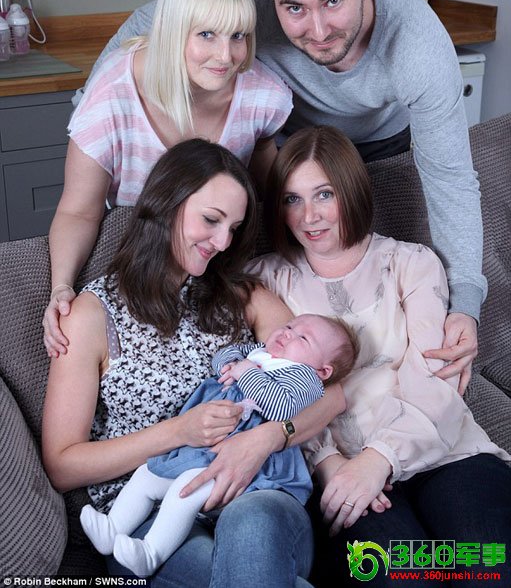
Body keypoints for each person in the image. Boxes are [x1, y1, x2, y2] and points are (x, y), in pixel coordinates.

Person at [82, 0, 484, 393]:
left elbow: (451, 178)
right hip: (285, 142)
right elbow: (155, 18)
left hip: (379, 143)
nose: (318, 29)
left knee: (372, 275)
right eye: (293, 8)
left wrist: (466, 303)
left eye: (333, 1)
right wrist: (92, 104)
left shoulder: (418, 45)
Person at [42, 138, 346, 587]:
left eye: (233, 228)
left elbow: (331, 394)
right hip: (145, 513)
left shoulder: (243, 297)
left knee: (250, 530)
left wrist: (264, 439)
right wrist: (178, 432)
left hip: (253, 491)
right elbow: (62, 464)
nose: (222, 242)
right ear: (167, 204)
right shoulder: (92, 315)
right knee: (224, 571)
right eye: (211, 220)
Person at [245, 125, 511, 587]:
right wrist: (329, 466)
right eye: (292, 199)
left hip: (445, 454)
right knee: (405, 576)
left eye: (324, 194)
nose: (309, 216)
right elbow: (267, 388)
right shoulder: (265, 281)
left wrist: (380, 458)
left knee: (490, 569)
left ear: (350, 189)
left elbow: (436, 378)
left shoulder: (411, 263)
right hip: (342, 473)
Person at [43, 0, 292, 358]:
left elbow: (271, 186)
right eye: (207, 34)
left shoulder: (261, 94)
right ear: (173, 30)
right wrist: (61, 287)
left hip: (217, 265)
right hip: (137, 260)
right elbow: (78, 211)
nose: (226, 56)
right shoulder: (112, 97)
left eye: (238, 35)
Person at [79, 313, 359, 577]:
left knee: (186, 487)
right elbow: (227, 354)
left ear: (323, 370)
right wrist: (230, 363)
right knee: (147, 474)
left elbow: (280, 408)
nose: (287, 334)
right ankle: (113, 528)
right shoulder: (260, 352)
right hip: (205, 450)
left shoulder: (304, 378)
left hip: (251, 468)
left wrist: (245, 372)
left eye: (303, 338)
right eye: (288, 326)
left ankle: (151, 552)